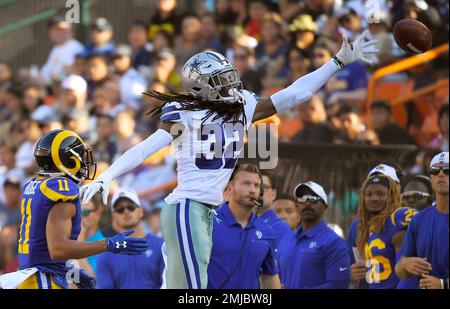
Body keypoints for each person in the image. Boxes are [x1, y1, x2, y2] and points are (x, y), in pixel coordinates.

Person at [80, 32, 378, 289]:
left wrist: (336, 62)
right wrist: (108, 175)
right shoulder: (184, 111)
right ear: (201, 87)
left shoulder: (243, 105)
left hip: (209, 211)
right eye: (221, 81)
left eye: (229, 77)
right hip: (186, 207)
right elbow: (147, 147)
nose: (231, 85)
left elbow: (295, 94)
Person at [0, 129, 147, 289]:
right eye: (81, 158)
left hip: (34, 276)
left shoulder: (36, 185)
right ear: (69, 160)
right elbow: (57, 248)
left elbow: (43, 247)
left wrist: (70, 269)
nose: (85, 163)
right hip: (43, 280)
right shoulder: (62, 188)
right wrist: (109, 245)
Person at [207, 164, 281, 289]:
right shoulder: (207, 223)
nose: (252, 190)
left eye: (257, 185)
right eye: (246, 184)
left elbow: (269, 277)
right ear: (229, 189)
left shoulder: (266, 231)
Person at [278, 181, 351, 289]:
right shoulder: (285, 241)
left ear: (325, 206)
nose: (307, 203)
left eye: (313, 199)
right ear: (297, 206)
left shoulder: (334, 242)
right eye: (302, 199)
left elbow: (338, 285)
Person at [353, 174, 417, 289]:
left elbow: (407, 273)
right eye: (369, 194)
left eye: (381, 194)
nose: (374, 198)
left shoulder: (396, 218)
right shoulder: (368, 227)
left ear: (391, 196)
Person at [395, 152, 449, 289]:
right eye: (435, 171)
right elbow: (400, 271)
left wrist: (443, 284)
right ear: (431, 177)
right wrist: (404, 264)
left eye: (447, 170)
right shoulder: (418, 220)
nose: (441, 174)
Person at [96, 187, 164, 289]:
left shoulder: (161, 246)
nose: (126, 211)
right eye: (120, 209)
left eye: (131, 207)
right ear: (113, 216)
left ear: (141, 211)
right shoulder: (106, 254)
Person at [258, 173, 292, 248]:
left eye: (264, 187)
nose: (259, 192)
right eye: (256, 186)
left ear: (274, 194)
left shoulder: (280, 228)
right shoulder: (242, 222)